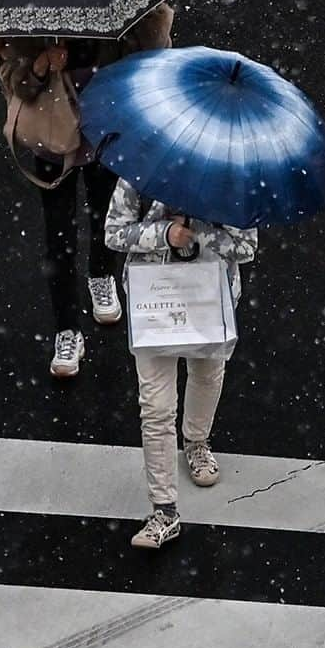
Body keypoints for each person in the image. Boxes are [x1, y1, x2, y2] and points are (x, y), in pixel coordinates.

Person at [0, 2, 173, 377]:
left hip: (102, 121)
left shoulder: (113, 1)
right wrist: (42, 65)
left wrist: (154, 19)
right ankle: (67, 330)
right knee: (58, 234)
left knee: (104, 213)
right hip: (52, 131)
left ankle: (101, 275)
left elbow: (152, 58)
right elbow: (12, 81)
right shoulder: (22, 11)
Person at [104, 179, 258, 549]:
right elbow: (113, 233)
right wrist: (165, 233)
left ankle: (196, 441)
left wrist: (199, 232)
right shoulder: (138, 174)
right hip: (152, 299)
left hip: (210, 297)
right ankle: (164, 508)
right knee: (155, 407)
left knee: (207, 374)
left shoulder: (232, 177)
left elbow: (246, 246)